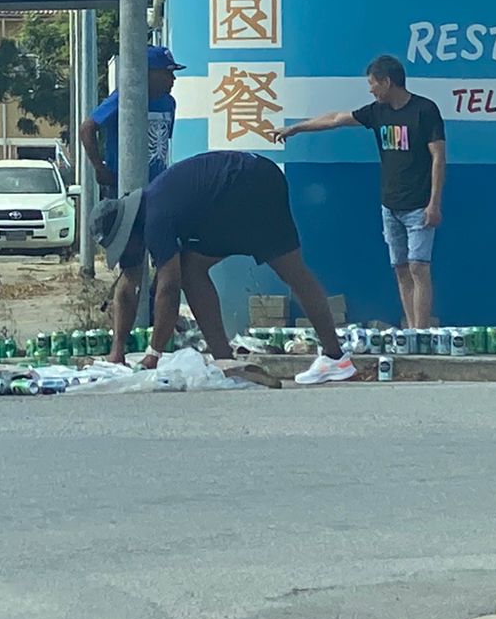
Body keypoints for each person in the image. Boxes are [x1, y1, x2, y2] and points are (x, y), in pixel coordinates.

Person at [92, 151, 356, 385]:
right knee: (195, 269)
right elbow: (128, 287)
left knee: (285, 270)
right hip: (251, 179)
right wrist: (117, 351)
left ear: (129, 234)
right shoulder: (148, 212)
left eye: (123, 249)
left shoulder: (156, 219)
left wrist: (154, 354)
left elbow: (169, 287)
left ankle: (330, 357)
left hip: (250, 186)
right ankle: (229, 361)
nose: (127, 257)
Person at [272, 55, 447, 331]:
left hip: (419, 205)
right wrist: (295, 128)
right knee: (401, 269)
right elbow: (335, 119)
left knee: (419, 268)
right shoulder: (377, 112)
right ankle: (412, 330)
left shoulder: (425, 110)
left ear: (387, 82)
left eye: (372, 83)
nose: (370, 90)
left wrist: (434, 203)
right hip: (390, 205)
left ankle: (421, 333)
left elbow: (438, 157)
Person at [80, 46, 186, 196]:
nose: (173, 79)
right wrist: (99, 167)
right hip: (123, 187)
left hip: (157, 187)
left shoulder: (169, 103)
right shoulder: (124, 99)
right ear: (148, 72)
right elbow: (87, 128)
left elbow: (163, 143)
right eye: (167, 72)